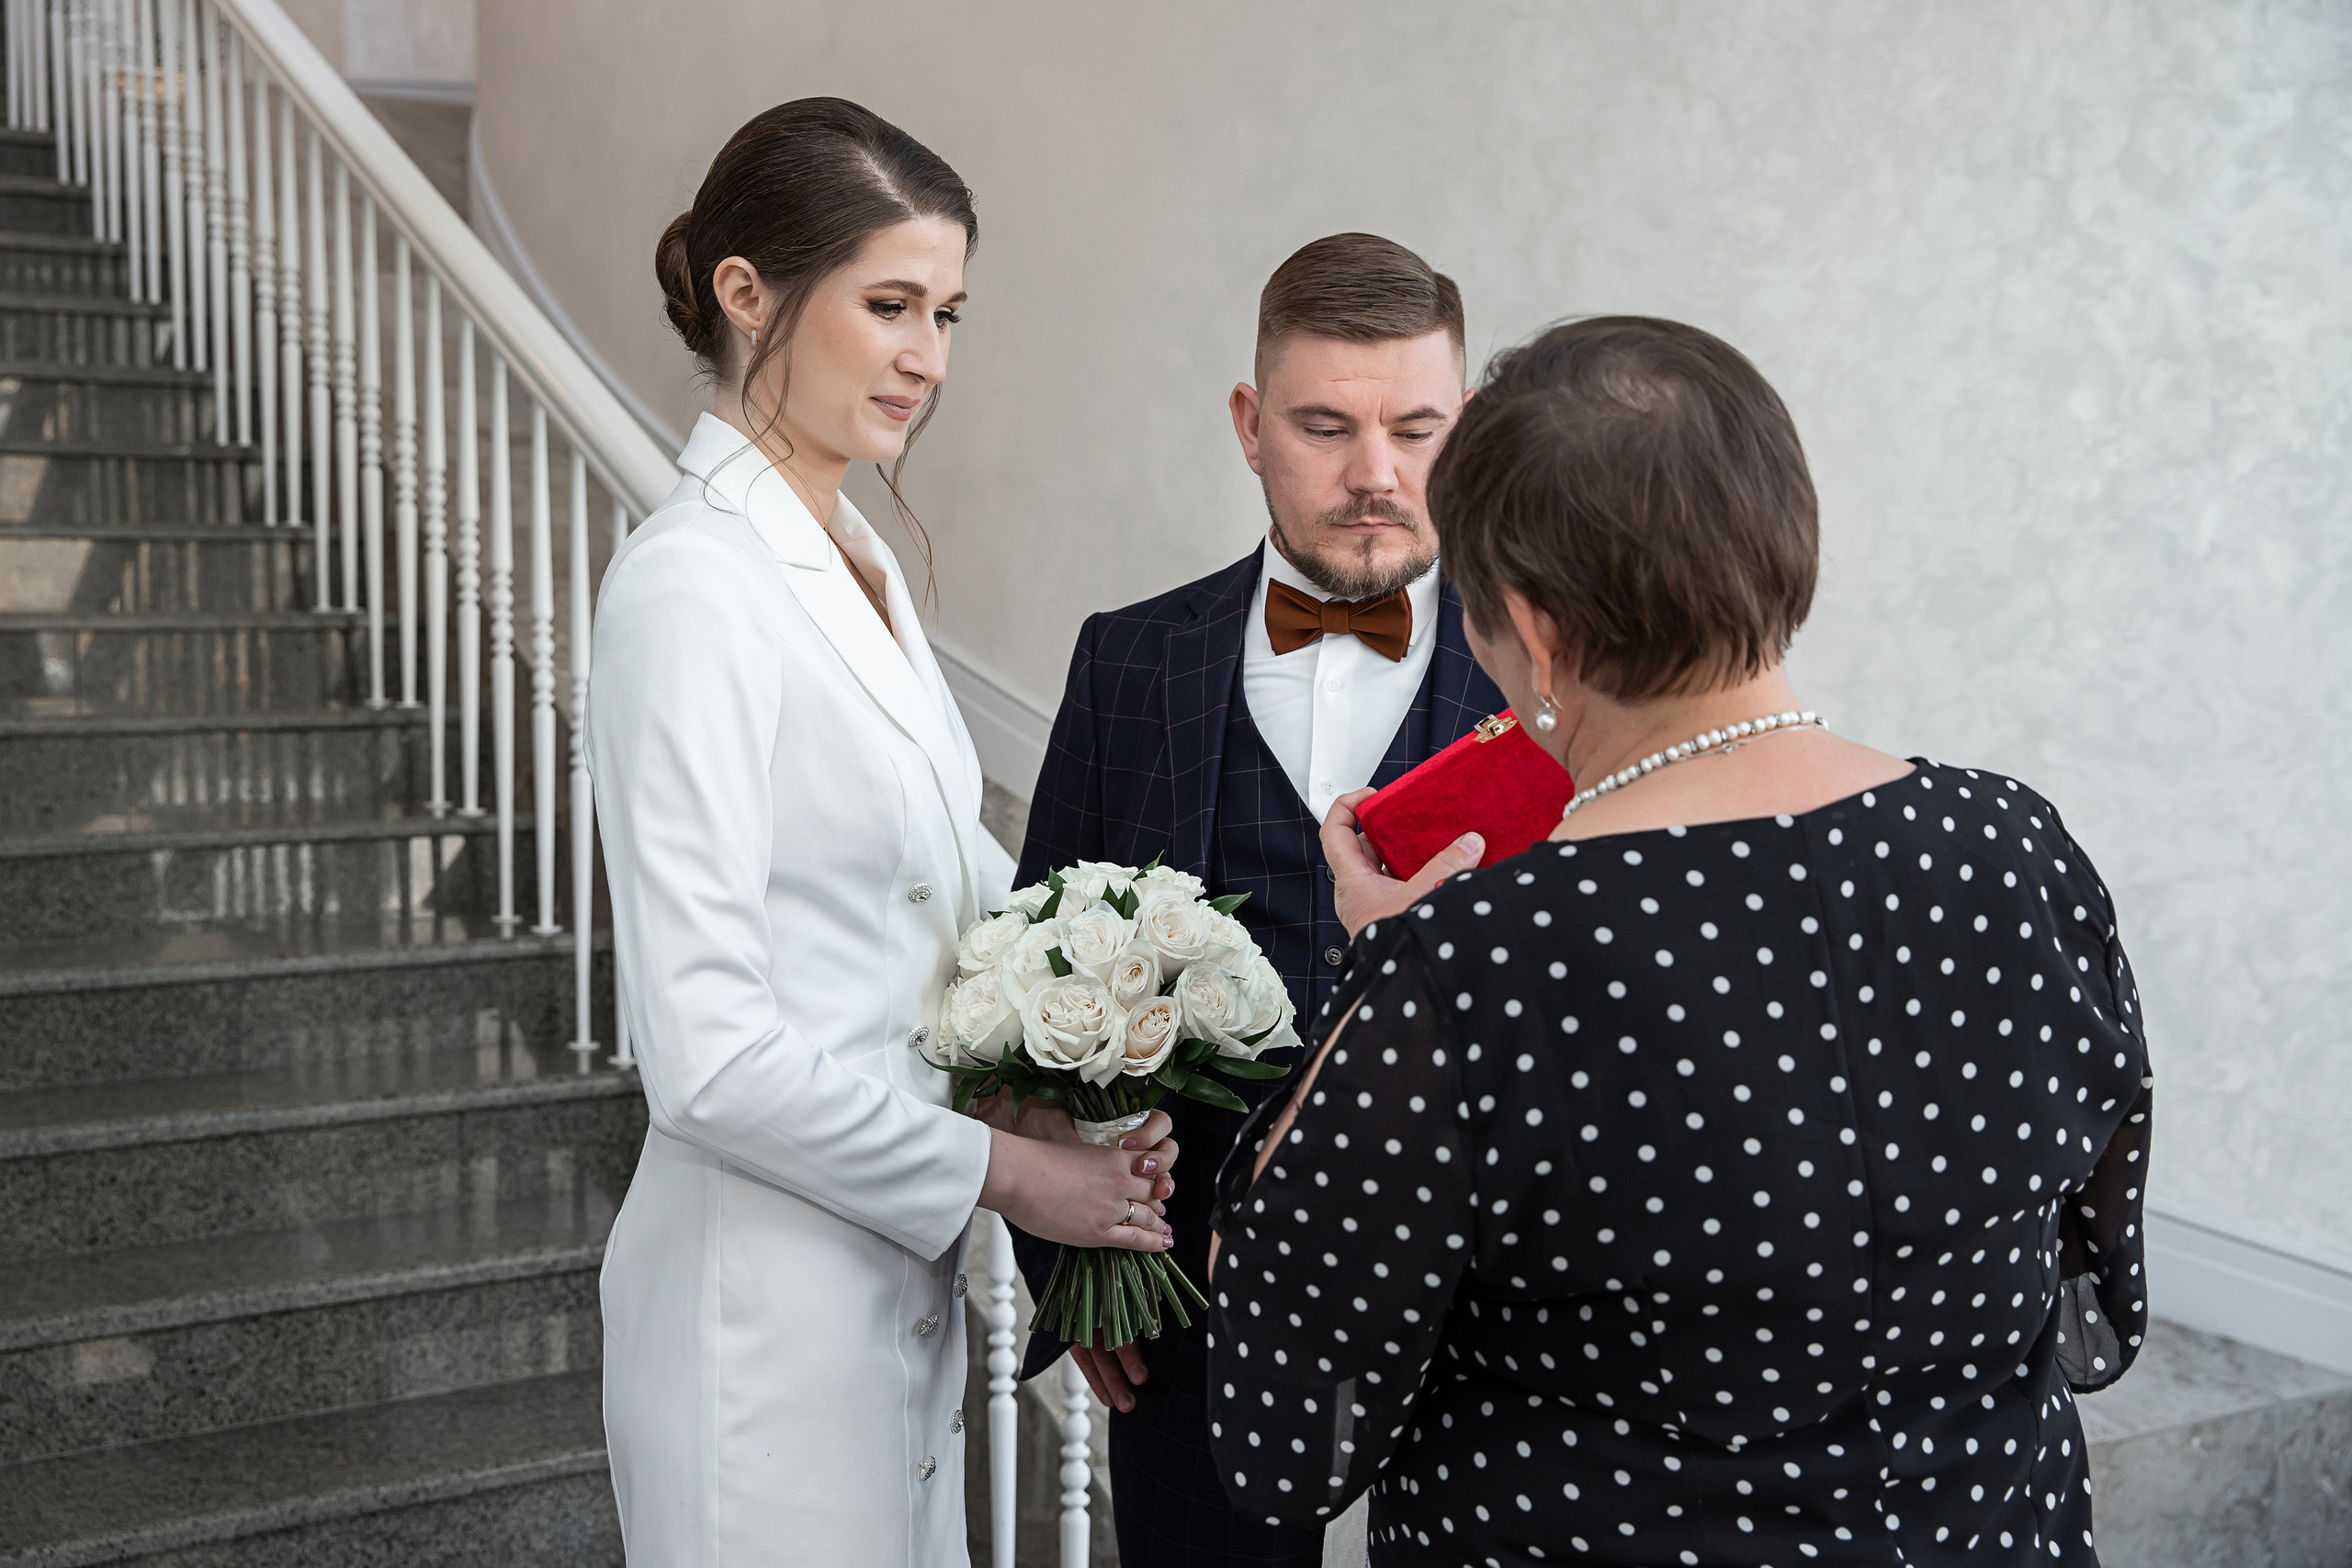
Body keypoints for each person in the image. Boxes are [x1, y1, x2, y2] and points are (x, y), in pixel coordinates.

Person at [1205, 316, 2153, 1564]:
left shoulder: (1480, 960)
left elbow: (1286, 1422)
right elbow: (2095, 1272)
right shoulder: (2014, 842)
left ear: (1534, 632)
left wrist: (1385, 985)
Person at [586, 98, 1181, 1565]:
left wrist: (1085, 1069)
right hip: (757, 1321)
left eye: (950, 312)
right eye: (891, 304)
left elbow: (942, 907)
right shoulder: (690, 590)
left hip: (885, 1281)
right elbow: (708, 1058)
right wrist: (1019, 1174)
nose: (929, 356)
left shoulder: (856, 557)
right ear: (747, 293)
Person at [1012, 232, 1508, 1568]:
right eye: (1324, 426)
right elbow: (1029, 990)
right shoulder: (1130, 661)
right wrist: (1086, 1265)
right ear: (1248, 423)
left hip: (1493, 1327)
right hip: (1188, 1318)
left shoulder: (1559, 686)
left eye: (1418, 429)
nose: (1375, 476)